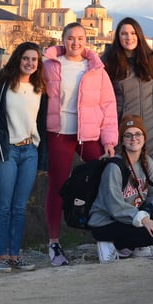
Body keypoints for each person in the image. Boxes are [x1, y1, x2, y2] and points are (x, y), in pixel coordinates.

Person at [43, 22, 119, 266]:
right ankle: (54, 243)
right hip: (59, 133)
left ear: (87, 41)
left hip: (88, 134)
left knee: (106, 176)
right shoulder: (50, 65)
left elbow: (108, 106)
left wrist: (109, 140)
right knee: (57, 185)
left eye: (80, 38)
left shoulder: (96, 69)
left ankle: (106, 235)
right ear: (62, 40)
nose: (75, 43)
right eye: (70, 38)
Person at [0, 42, 48, 273]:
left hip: (29, 151)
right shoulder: (2, 84)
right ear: (17, 59)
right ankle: (2, 256)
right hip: (6, 150)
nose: (30, 63)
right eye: (26, 58)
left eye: (34, 59)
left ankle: (15, 255)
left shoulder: (39, 86)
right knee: (3, 206)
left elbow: (40, 120)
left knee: (20, 207)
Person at [89, 115, 153, 263]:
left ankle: (139, 249)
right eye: (128, 135)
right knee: (150, 234)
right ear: (122, 141)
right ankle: (109, 243)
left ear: (144, 138)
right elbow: (115, 207)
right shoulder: (114, 167)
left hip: (132, 215)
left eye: (138, 134)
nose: (133, 138)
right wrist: (144, 220)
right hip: (106, 222)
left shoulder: (146, 161)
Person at [102, 17, 153, 161]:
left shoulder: (150, 59)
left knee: (148, 178)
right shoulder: (109, 61)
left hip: (150, 131)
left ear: (139, 35)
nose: (129, 37)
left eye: (133, 33)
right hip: (123, 131)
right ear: (118, 37)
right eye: (124, 34)